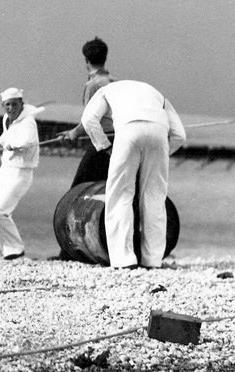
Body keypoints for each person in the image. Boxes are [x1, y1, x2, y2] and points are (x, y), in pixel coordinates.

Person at [81, 80, 186, 269]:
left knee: (120, 195)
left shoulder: (105, 91)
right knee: (155, 197)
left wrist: (104, 146)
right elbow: (180, 136)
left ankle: (124, 260)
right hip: (159, 133)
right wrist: (162, 154)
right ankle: (152, 260)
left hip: (128, 131)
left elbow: (88, 120)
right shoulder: (156, 93)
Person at [0, 88, 43, 261]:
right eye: (8, 105)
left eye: (15, 104)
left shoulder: (28, 122)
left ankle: (15, 250)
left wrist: (11, 145)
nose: (11, 108)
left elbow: (26, 141)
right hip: (5, 170)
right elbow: (7, 135)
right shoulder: (7, 119)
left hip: (21, 172)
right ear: (3, 106)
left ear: (21, 103)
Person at [57, 37, 116, 187]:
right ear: (105, 58)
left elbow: (90, 120)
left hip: (101, 142)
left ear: (86, 61)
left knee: (78, 187)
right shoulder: (115, 82)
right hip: (118, 140)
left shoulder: (93, 85)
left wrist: (74, 133)